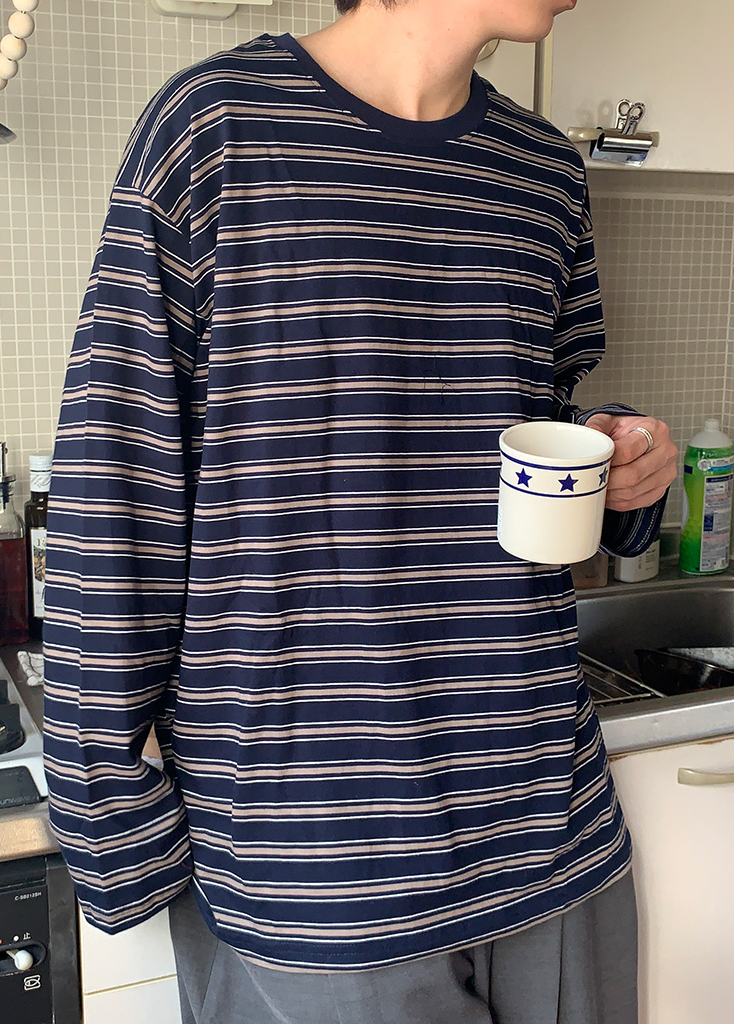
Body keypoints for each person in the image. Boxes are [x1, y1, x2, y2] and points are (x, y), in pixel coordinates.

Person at [43, 0, 679, 1019]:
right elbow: (117, 483)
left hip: (551, 832)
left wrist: (616, 470)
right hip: (311, 867)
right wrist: (108, 813)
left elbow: (521, 434)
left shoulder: (544, 174)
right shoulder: (217, 128)